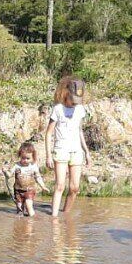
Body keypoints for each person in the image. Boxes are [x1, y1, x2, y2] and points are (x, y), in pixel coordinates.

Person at [44, 76, 90, 218]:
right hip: (61, 149)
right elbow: (49, 133)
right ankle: (54, 218)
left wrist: (86, 152)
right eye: (72, 100)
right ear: (67, 94)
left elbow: (79, 130)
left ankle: (66, 215)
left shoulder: (80, 109)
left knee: (75, 187)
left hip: (76, 150)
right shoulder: (58, 109)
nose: (74, 103)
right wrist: (48, 155)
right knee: (60, 186)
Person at [8, 140, 49, 216]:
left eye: (28, 158)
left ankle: (32, 222)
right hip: (18, 190)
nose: (25, 160)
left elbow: (38, 177)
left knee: (28, 205)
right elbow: (9, 175)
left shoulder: (33, 166)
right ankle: (20, 224)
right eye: (23, 158)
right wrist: (5, 172)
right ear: (20, 156)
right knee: (19, 208)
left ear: (33, 157)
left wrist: (43, 186)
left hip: (29, 190)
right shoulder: (16, 165)